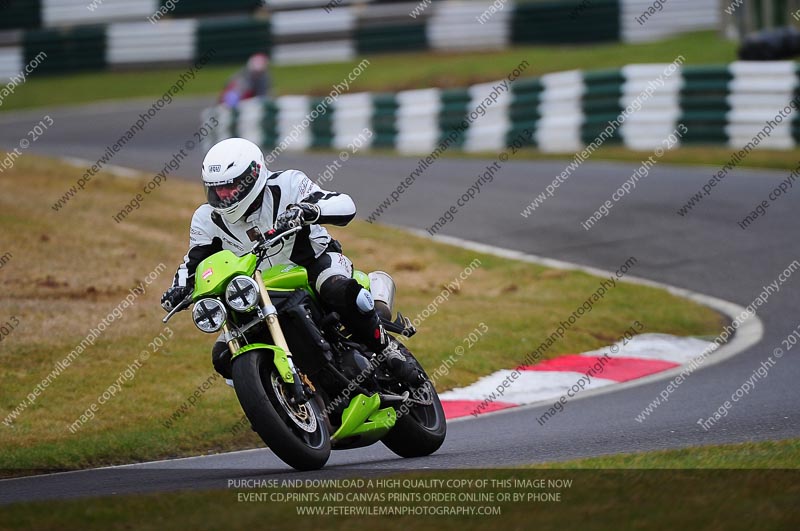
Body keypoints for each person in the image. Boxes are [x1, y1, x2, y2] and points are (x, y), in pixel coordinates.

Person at [160, 137, 417, 384]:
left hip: (313, 264)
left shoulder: (288, 184)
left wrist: (309, 210)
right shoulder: (206, 218)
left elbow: (344, 204)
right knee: (224, 354)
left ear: (253, 175)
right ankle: (280, 402)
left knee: (339, 290)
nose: (224, 196)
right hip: (259, 291)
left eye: (230, 187)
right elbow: (192, 264)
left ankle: (386, 350)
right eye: (216, 190)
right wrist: (177, 288)